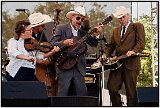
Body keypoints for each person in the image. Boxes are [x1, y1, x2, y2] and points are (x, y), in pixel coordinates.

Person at [51, 6, 103, 96]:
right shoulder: (61, 28)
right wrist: (64, 42)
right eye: (78, 18)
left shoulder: (83, 32)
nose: (80, 21)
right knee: (62, 93)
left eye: (82, 19)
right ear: (72, 17)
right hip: (65, 65)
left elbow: (93, 44)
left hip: (79, 67)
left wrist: (96, 35)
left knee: (82, 93)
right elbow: (52, 43)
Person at [104, 6, 145, 106]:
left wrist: (133, 51)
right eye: (119, 18)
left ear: (128, 15)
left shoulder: (137, 26)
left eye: (123, 17)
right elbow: (111, 46)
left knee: (131, 92)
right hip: (117, 64)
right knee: (112, 88)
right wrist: (105, 54)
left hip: (131, 63)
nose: (121, 20)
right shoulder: (116, 31)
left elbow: (141, 43)